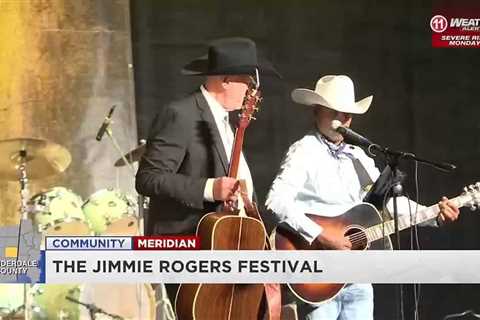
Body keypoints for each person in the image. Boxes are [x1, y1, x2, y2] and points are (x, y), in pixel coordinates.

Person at [265, 75, 460, 320]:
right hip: (317, 274)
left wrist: (434, 215)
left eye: (347, 113)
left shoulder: (359, 156)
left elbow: (387, 202)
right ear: (316, 111)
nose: (343, 119)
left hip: (357, 277)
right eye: (335, 111)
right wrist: (323, 236)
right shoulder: (304, 150)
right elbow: (276, 201)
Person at [135, 37, 279, 306]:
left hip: (227, 250)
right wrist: (210, 188)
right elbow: (148, 179)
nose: (252, 91)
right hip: (188, 246)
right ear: (225, 80)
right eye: (248, 82)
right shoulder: (181, 114)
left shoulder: (229, 122)